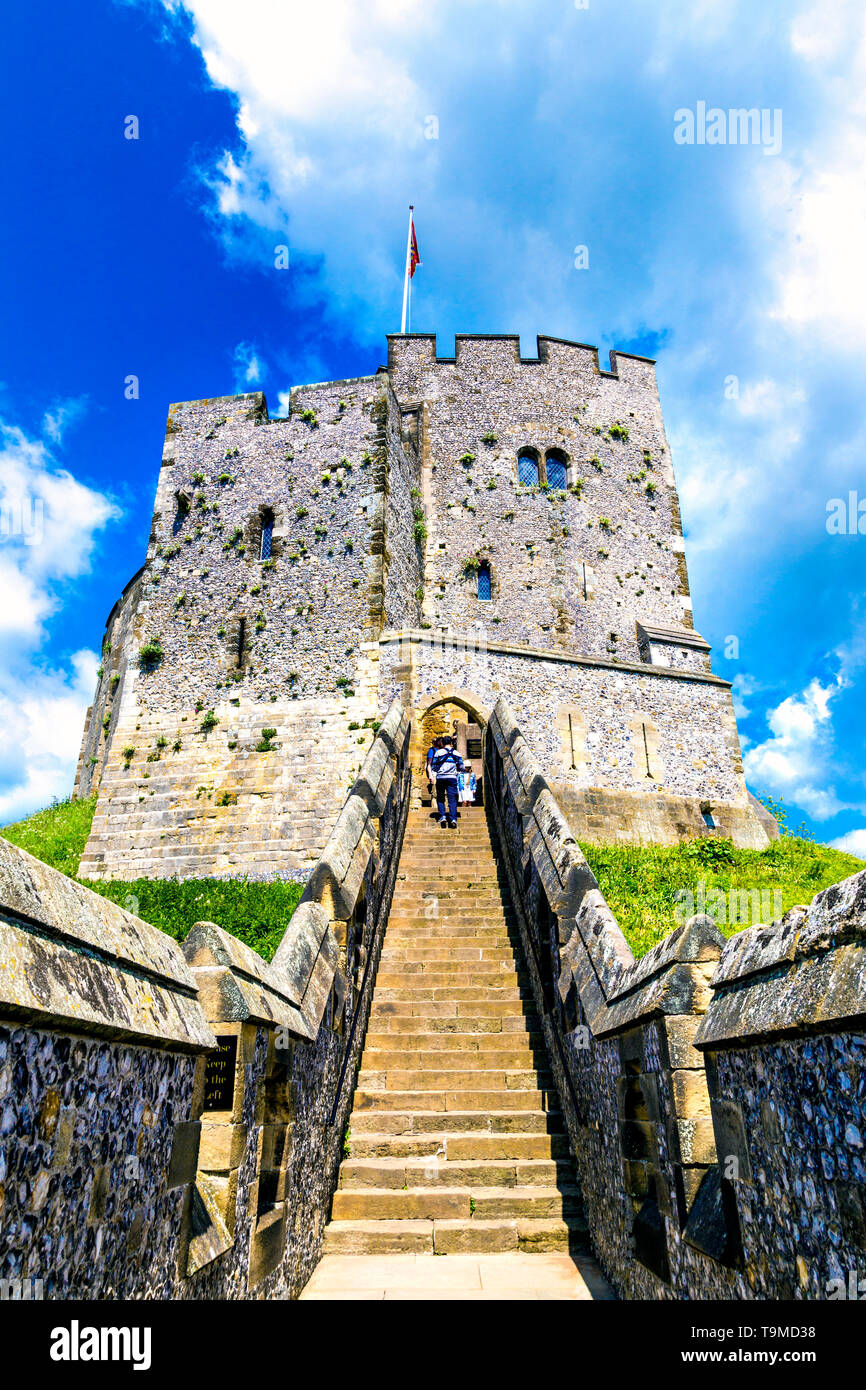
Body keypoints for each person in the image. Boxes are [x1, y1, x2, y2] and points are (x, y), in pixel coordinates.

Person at [429, 736, 463, 828]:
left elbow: (434, 766)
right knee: (452, 799)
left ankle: (443, 816)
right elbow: (461, 767)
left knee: (440, 798)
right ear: (451, 743)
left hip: (441, 778)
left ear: (442, 743)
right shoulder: (457, 753)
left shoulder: (438, 753)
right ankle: (453, 819)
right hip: (452, 778)